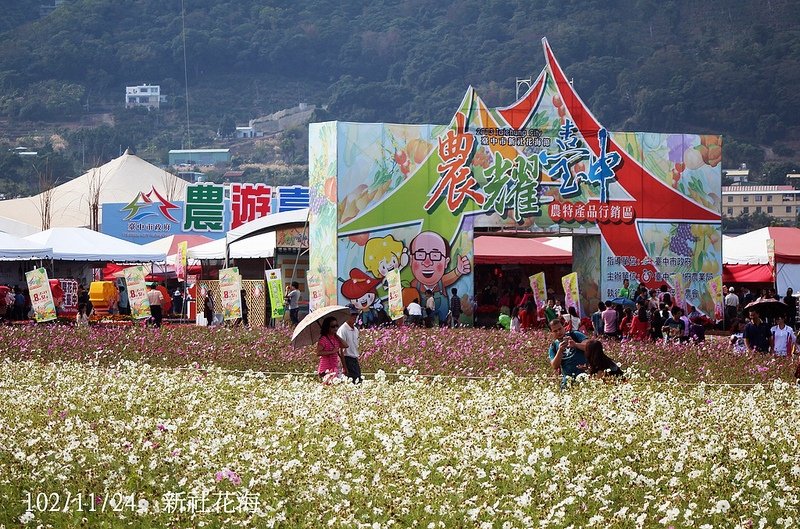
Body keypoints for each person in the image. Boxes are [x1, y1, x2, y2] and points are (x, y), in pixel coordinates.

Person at [547, 318, 588, 388]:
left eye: (560, 329)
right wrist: (560, 350)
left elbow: (590, 347)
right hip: (568, 380)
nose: (558, 332)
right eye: (555, 331)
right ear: (552, 333)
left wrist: (576, 344)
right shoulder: (553, 346)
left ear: (564, 327)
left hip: (585, 376)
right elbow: (554, 366)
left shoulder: (575, 335)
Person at [337, 305, 362, 383]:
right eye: (352, 315)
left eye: (355, 315)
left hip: (354, 359)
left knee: (358, 381)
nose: (354, 317)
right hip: (347, 359)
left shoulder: (355, 330)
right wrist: (344, 367)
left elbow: (354, 348)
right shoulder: (343, 329)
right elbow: (341, 350)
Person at [317, 316, 346, 380]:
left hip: (334, 368)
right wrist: (332, 352)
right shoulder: (323, 339)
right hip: (325, 369)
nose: (335, 328)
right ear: (327, 327)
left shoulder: (335, 338)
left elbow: (345, 345)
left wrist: (336, 335)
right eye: (333, 327)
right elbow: (318, 352)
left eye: (336, 326)